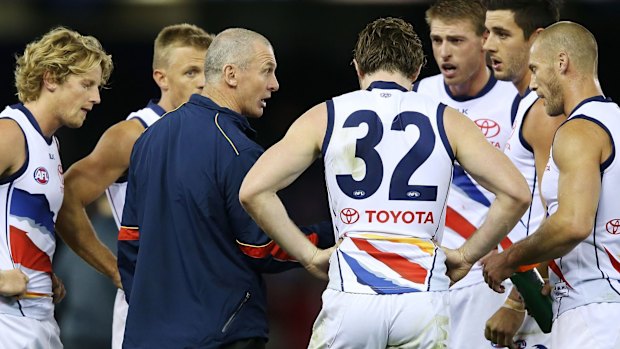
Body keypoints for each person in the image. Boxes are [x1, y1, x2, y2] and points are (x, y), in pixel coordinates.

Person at [239, 17, 531, 348]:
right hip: (421, 294)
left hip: (353, 292)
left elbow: (253, 190)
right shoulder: (446, 118)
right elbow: (516, 193)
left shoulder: (327, 114)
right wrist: (466, 255)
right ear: (417, 69)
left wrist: (308, 255)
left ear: (358, 66)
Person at [119, 28, 334, 349]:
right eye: (267, 71)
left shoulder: (149, 139)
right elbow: (262, 248)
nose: (274, 84)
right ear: (231, 74)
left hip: (147, 335)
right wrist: (332, 231)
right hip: (220, 333)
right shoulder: (238, 150)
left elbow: (130, 242)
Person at [54, 23, 214, 349]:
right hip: (150, 308)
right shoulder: (133, 134)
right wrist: (117, 271)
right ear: (162, 78)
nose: (201, 81)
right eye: (190, 71)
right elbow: (66, 195)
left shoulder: (216, 134)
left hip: (207, 304)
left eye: (207, 71)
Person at [482, 21, 620, 349]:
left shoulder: (578, 131)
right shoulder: (614, 121)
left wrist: (509, 259)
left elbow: (573, 223)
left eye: (535, 69)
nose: (533, 84)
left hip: (593, 315)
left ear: (562, 63)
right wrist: (548, 266)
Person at [413, 1, 520, 347]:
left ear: (485, 39)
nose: (444, 53)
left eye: (456, 41)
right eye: (437, 40)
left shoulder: (515, 100)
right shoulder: (418, 96)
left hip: (492, 268)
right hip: (432, 268)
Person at [0, 26, 112, 348]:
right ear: (50, 79)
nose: (96, 97)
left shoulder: (49, 145)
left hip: (38, 319)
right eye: (87, 84)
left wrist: (40, 271)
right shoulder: (10, 134)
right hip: (8, 324)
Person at [482, 1, 562, 347]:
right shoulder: (528, 105)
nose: (487, 45)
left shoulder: (545, 112)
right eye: (486, 33)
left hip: (542, 296)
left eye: (502, 34)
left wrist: (518, 302)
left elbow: (561, 211)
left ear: (537, 39)